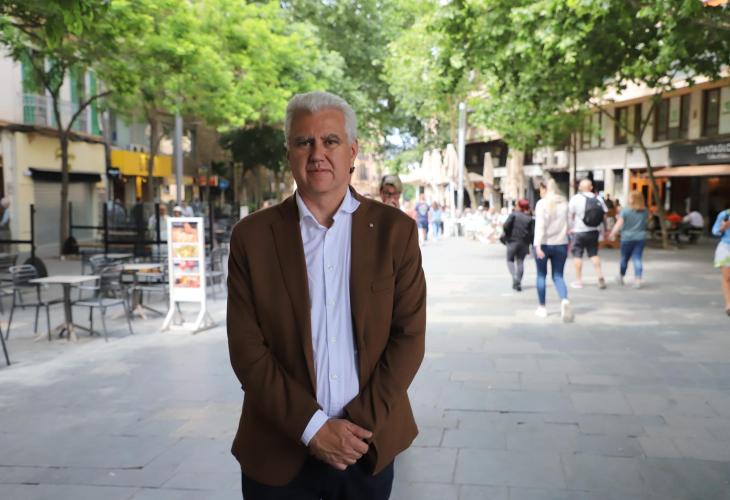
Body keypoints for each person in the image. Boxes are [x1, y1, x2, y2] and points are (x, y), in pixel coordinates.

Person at [227, 91, 427, 500]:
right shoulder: (252, 237)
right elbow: (247, 350)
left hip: (366, 448)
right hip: (277, 451)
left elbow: (408, 338)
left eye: (330, 141)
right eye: (304, 142)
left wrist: (354, 430)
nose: (317, 153)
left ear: (352, 151)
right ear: (289, 153)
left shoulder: (395, 232)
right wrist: (314, 428)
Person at [533, 179, 573, 322]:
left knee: (541, 275)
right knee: (558, 276)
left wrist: (537, 245)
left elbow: (540, 225)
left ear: (544, 189)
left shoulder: (542, 204)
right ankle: (564, 300)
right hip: (561, 243)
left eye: (540, 189)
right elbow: (570, 224)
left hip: (544, 244)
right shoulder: (565, 203)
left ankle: (542, 307)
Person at [568, 179, 608, 289]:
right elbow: (604, 216)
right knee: (594, 254)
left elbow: (570, 215)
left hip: (578, 231)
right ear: (591, 187)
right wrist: (605, 230)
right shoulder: (598, 198)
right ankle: (600, 277)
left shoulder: (575, 199)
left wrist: (570, 227)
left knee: (577, 255)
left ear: (580, 188)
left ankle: (579, 281)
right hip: (594, 231)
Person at [609, 191, 648, 289]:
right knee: (637, 258)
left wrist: (612, 233)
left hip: (627, 238)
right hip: (640, 237)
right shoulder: (645, 211)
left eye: (629, 197)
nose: (628, 199)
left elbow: (619, 224)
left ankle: (621, 276)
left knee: (624, 258)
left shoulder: (625, 211)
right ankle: (638, 280)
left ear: (632, 199)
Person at [503, 199, 534, 292]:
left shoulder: (514, 215)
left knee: (510, 260)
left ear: (519, 206)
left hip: (512, 241)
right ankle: (518, 281)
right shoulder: (530, 218)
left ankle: (514, 277)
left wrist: (507, 235)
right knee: (520, 262)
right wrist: (531, 244)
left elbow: (505, 226)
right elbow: (532, 233)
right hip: (524, 243)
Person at [712, 208, 730, 316]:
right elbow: (715, 231)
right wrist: (723, 228)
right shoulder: (725, 214)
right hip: (726, 248)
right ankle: (729, 304)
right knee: (727, 277)